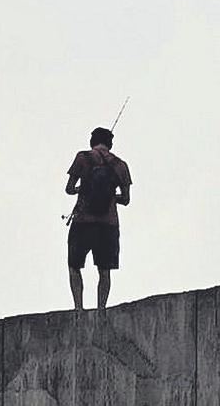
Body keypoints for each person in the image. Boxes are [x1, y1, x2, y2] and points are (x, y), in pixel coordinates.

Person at [65, 127, 132, 311]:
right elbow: (126, 199)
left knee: (74, 266)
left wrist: (83, 190)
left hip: (82, 222)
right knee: (104, 270)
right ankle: (101, 309)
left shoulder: (82, 158)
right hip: (108, 224)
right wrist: (110, 197)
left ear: (92, 141)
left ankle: (78, 308)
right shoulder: (120, 165)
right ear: (110, 144)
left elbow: (69, 188)